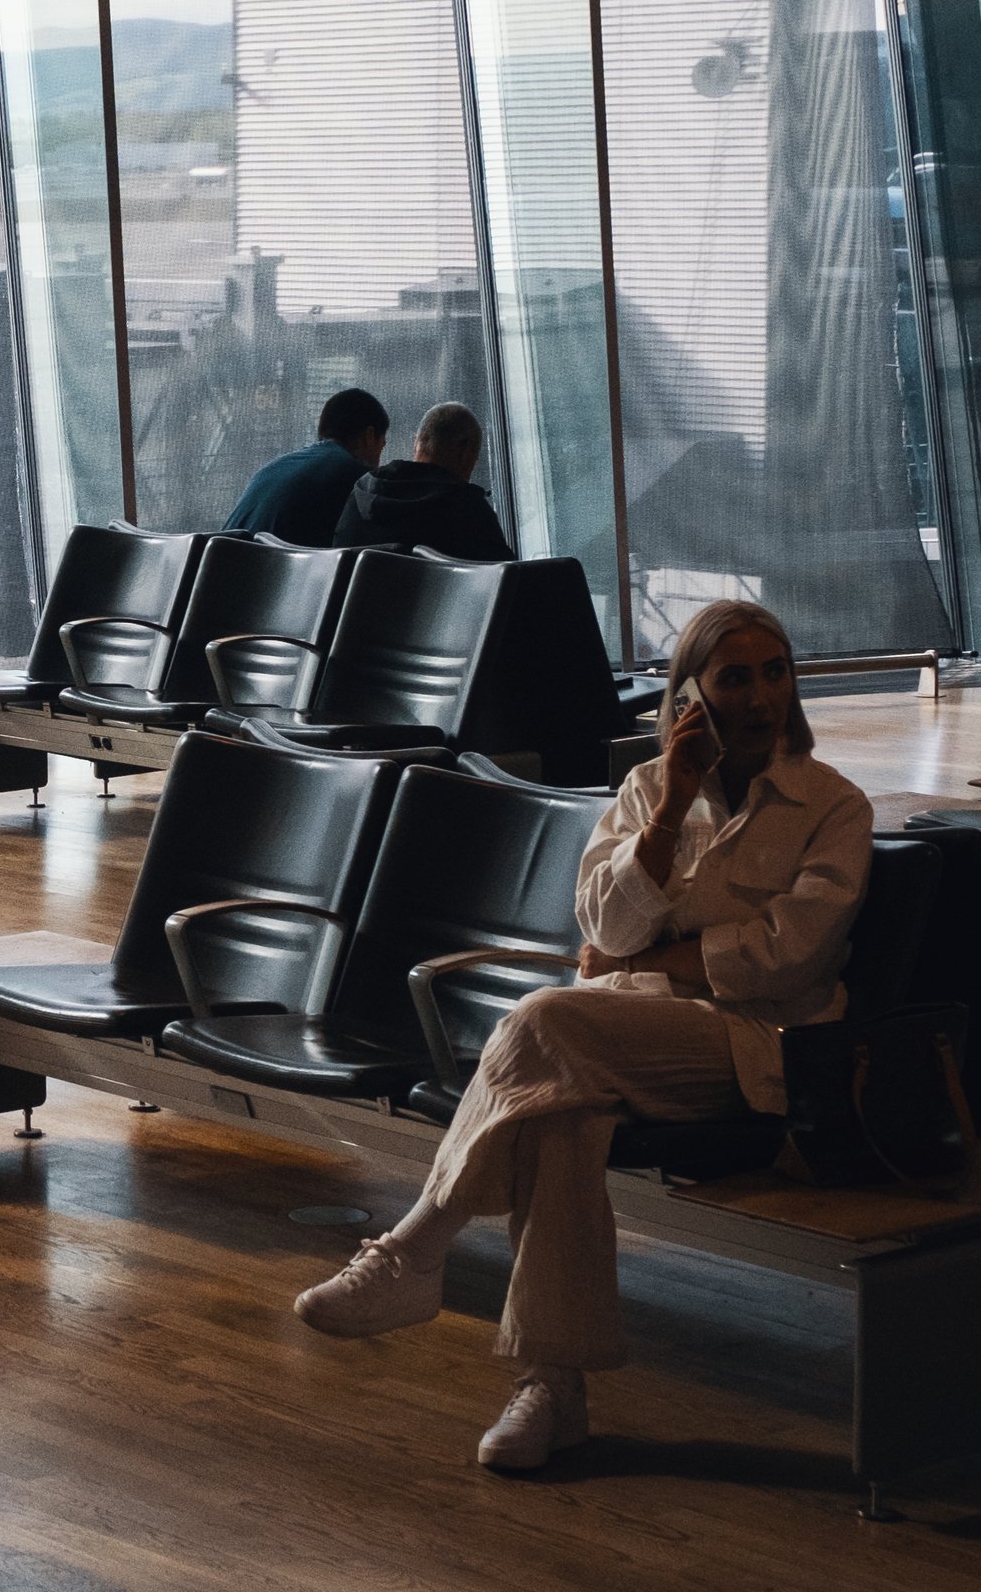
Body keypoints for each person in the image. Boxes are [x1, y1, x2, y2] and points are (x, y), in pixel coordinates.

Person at [287, 598, 870, 1474]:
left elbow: (790, 957)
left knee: (543, 1017)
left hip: (760, 1044)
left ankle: (417, 1247)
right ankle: (551, 1386)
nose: (760, 696)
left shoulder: (834, 806)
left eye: (775, 672)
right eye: (735, 678)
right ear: (691, 699)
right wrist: (672, 807)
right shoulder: (644, 790)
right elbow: (598, 917)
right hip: (624, 1035)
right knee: (561, 1118)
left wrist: (664, 955)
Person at [331, 401, 518, 565]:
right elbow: (510, 581)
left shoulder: (362, 490)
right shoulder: (465, 506)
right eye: (475, 457)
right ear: (464, 452)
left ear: (416, 443)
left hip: (356, 605)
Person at [222, 389, 387, 542]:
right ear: (369, 436)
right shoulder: (354, 476)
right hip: (272, 571)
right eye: (382, 446)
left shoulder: (277, 466)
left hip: (218, 568)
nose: (379, 460)